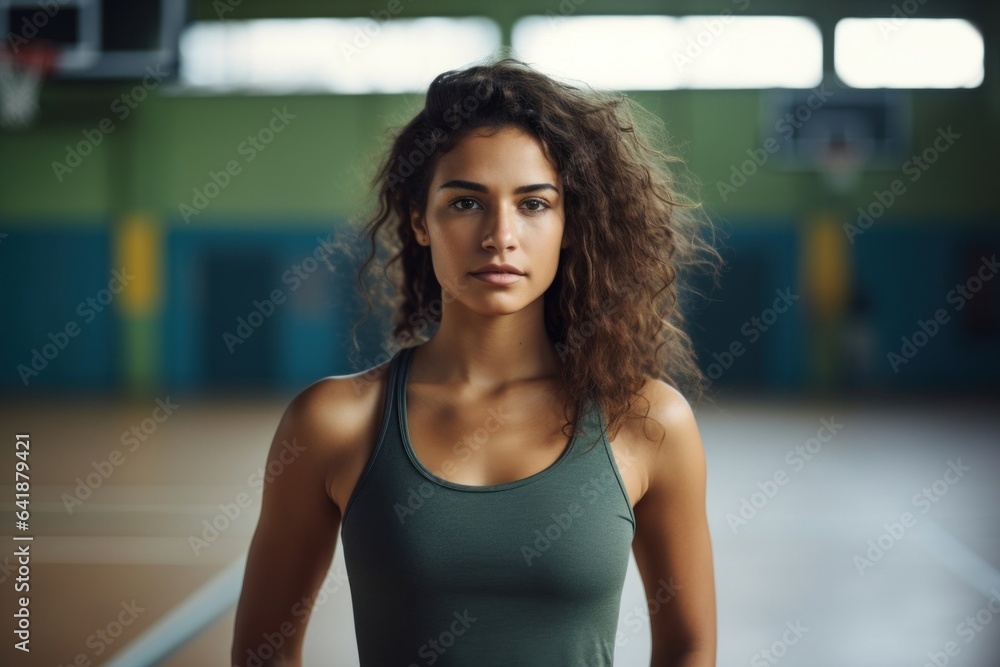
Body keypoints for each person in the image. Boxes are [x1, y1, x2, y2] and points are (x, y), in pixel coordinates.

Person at [232, 55, 722, 667]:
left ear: (571, 222)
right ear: (420, 220)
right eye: (466, 203)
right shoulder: (333, 422)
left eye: (534, 204)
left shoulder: (647, 421)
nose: (500, 235)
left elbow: (689, 647)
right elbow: (263, 653)